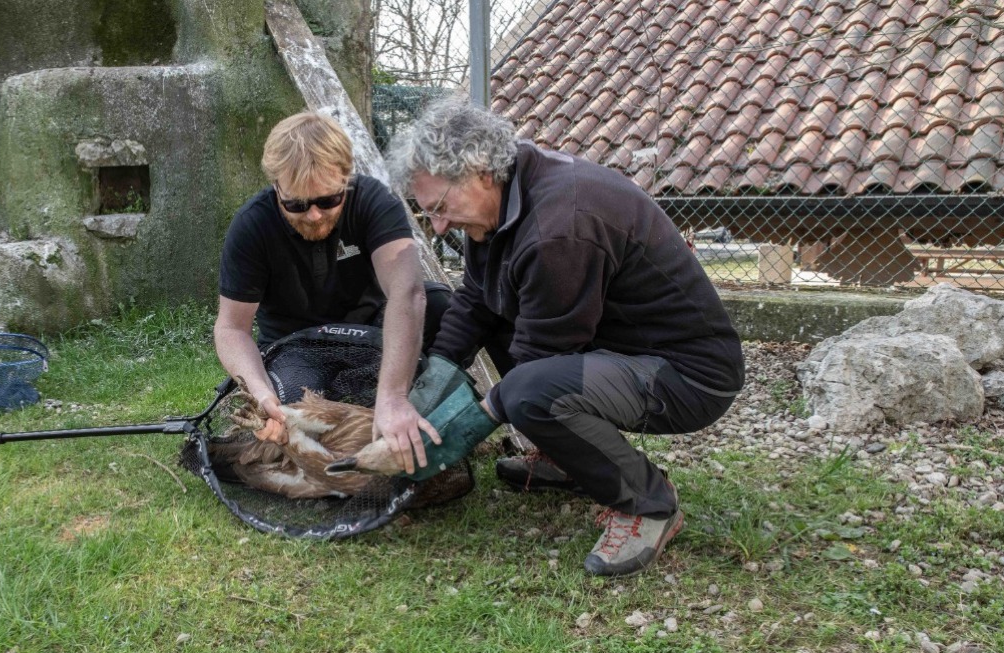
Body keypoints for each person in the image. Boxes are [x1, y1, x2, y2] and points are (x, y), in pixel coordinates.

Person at [385, 98, 745, 577]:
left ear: (479, 172)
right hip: (614, 348)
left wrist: (455, 436)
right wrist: (434, 382)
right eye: (427, 213)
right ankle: (570, 457)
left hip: (686, 376)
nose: (439, 226)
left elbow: (537, 364)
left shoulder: (560, 227)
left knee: (530, 394)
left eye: (442, 208)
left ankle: (650, 505)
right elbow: (476, 298)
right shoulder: (510, 191)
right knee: (465, 316)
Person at [214, 111, 450, 474]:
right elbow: (231, 329)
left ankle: (419, 407)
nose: (313, 216)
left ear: (346, 179)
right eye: (296, 204)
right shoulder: (252, 225)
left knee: (442, 305)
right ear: (277, 185)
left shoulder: (374, 201)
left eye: (328, 201)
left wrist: (393, 396)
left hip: (371, 329)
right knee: (293, 415)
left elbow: (408, 292)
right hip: (295, 346)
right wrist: (262, 394)